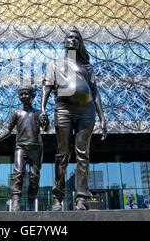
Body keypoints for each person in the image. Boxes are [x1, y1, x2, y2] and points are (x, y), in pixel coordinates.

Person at [39, 27, 107, 211]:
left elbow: (95, 91)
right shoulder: (54, 64)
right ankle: (57, 197)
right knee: (63, 154)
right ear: (64, 42)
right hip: (64, 110)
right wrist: (43, 109)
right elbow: (46, 87)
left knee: (83, 154)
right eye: (69, 37)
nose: (72, 40)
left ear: (80, 43)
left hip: (87, 111)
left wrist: (102, 117)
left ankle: (82, 198)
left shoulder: (87, 67)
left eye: (76, 38)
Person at [0, 85, 50, 211]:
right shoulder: (16, 113)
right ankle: (16, 199)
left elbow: (47, 129)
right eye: (21, 94)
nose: (24, 96)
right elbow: (8, 130)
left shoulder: (38, 112)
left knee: (34, 176)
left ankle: (31, 200)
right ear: (18, 97)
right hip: (21, 147)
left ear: (33, 96)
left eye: (26, 94)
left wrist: (47, 122)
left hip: (36, 148)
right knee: (18, 173)